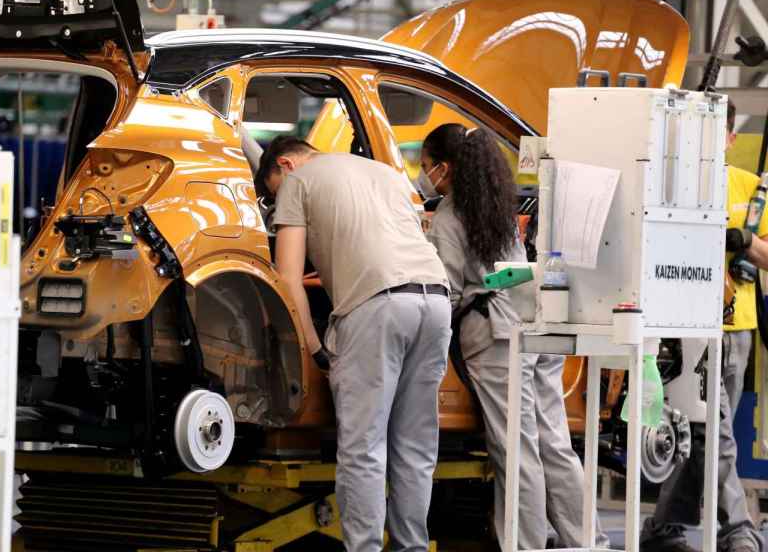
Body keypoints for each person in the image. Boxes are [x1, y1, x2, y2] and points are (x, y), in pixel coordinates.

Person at [256, 135, 452, 552]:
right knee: (415, 448)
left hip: (377, 304)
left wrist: (313, 349)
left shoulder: (298, 180)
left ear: (286, 166)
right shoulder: (389, 173)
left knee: (364, 448)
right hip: (435, 300)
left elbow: (288, 277)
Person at [421, 124, 606, 550]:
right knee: (554, 443)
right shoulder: (497, 204)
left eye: (427, 166)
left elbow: (446, 291)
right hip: (535, 322)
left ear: (444, 169)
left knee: (516, 450)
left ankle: (525, 545)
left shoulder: (449, 215)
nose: (424, 172)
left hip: (497, 336)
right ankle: (587, 541)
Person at [641, 101, 767, 552]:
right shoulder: (676, 185)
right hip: (690, 329)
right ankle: (739, 529)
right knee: (714, 433)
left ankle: (662, 528)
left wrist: (747, 241)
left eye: (721, 132)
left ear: (731, 137)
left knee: (707, 435)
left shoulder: (751, 190)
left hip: (740, 329)